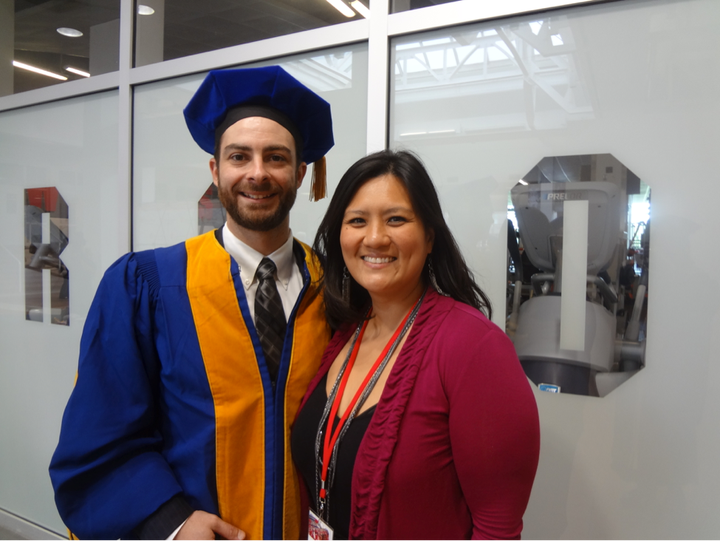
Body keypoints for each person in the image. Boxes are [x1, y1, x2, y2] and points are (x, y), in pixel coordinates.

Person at [49, 66, 334, 541]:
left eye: (277, 157)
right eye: (239, 156)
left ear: (301, 173)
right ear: (215, 170)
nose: (257, 173)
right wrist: (171, 522)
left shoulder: (337, 290)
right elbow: (99, 439)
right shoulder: (147, 286)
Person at [291, 150, 541, 541]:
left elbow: (497, 528)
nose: (374, 238)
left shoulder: (474, 348)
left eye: (396, 219)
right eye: (357, 220)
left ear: (429, 237)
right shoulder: (343, 333)